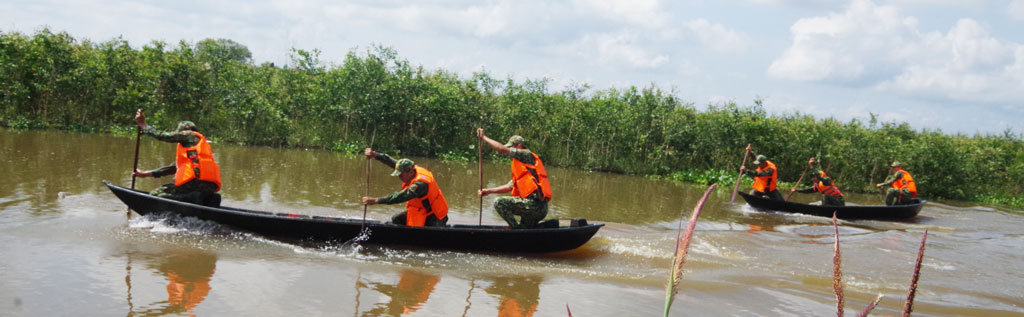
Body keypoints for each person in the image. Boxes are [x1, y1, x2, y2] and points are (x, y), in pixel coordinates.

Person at [131, 109, 222, 201]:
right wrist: (145, 174)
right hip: (210, 186)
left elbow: (163, 136)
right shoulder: (199, 148)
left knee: (156, 194)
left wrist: (143, 125)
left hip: (194, 183)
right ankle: (211, 199)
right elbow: (172, 168)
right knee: (191, 193)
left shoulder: (189, 134)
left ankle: (191, 197)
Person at [476, 128, 553, 229]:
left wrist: (483, 137)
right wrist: (488, 191)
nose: (509, 152)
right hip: (536, 208)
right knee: (525, 230)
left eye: (511, 147)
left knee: (499, 203)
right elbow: (509, 186)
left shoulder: (526, 154)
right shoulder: (524, 166)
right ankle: (520, 231)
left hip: (534, 205)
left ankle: (514, 230)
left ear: (519, 146)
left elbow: (502, 149)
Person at [361, 148, 449, 227]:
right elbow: (393, 163)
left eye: (401, 175)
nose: (399, 177)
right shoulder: (411, 168)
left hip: (435, 216)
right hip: (420, 209)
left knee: (424, 238)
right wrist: (375, 155)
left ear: (410, 173)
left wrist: (376, 200)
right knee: (396, 219)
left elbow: (400, 196)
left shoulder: (420, 184)